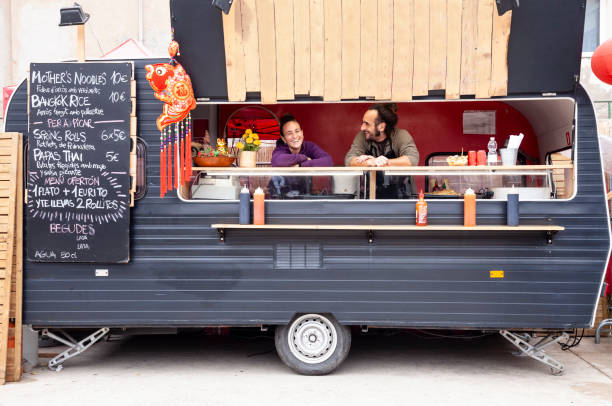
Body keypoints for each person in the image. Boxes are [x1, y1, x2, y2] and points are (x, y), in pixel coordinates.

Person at [345, 103, 419, 198]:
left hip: (401, 198)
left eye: (366, 124)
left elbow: (411, 160)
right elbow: (349, 160)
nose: (362, 127)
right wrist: (371, 162)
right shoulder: (362, 137)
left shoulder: (401, 136)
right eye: (362, 122)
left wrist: (384, 162)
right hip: (370, 198)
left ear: (381, 127)